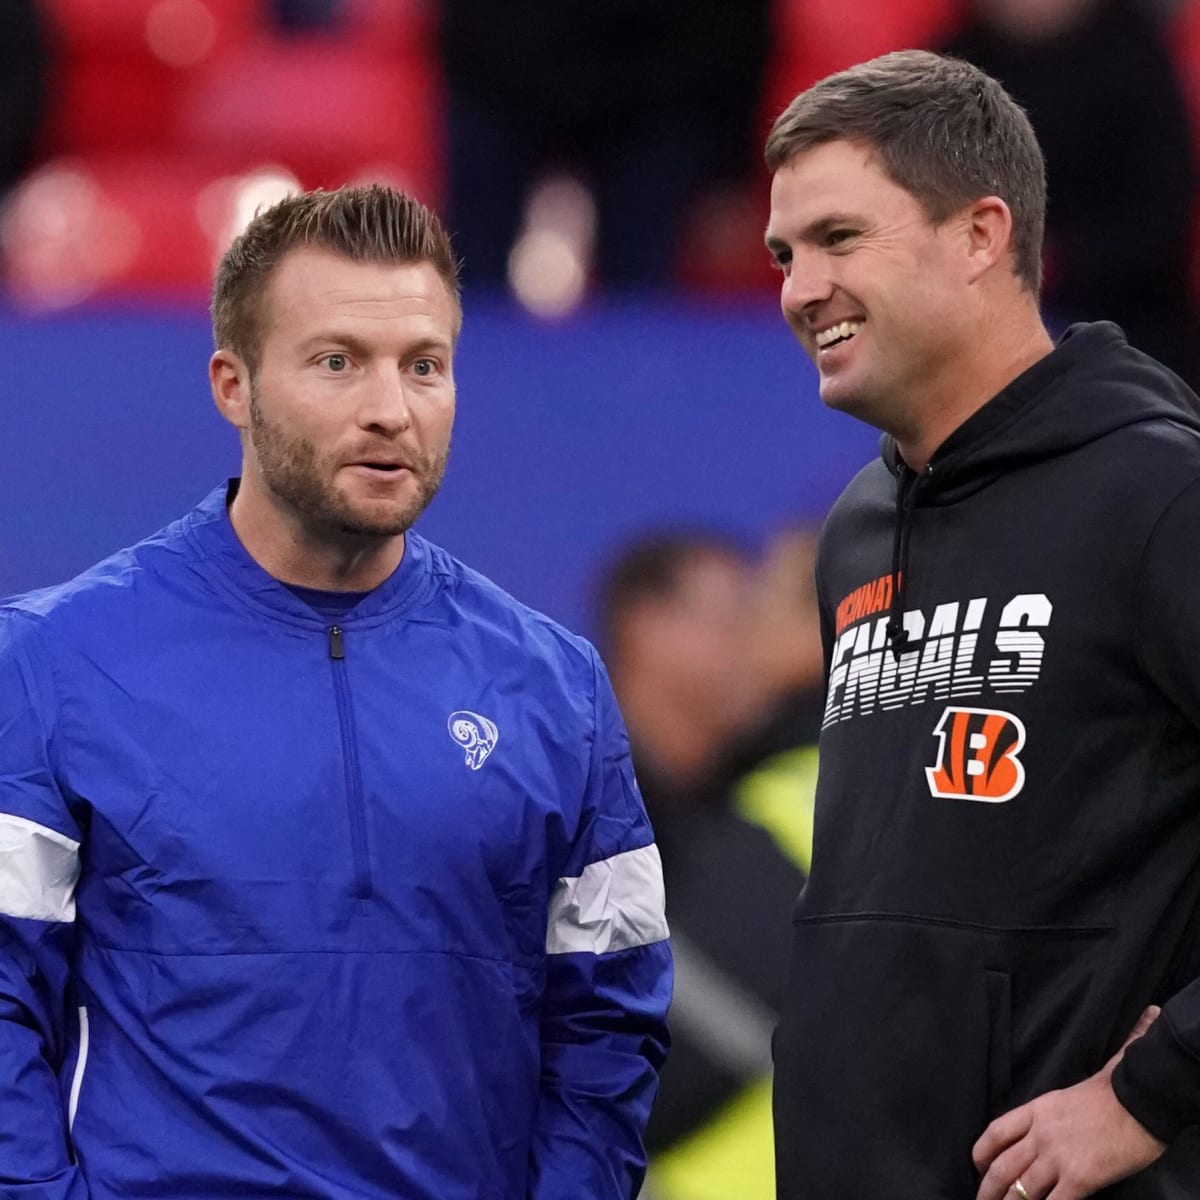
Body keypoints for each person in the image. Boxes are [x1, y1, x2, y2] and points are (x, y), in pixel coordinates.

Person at [0, 184, 671, 1199]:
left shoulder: (552, 683)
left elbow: (610, 1019)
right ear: (233, 384)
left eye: (425, 366)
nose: (390, 409)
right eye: (337, 361)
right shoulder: (52, 658)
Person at [763, 50, 1200, 1200]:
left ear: (981, 235)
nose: (799, 288)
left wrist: (1152, 1090)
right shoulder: (855, 531)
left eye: (839, 239)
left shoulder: (1158, 497)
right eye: (784, 253)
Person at [596, 531, 821, 1200]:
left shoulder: (741, 803)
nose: (753, 643)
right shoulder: (564, 804)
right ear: (649, 630)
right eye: (732, 616)